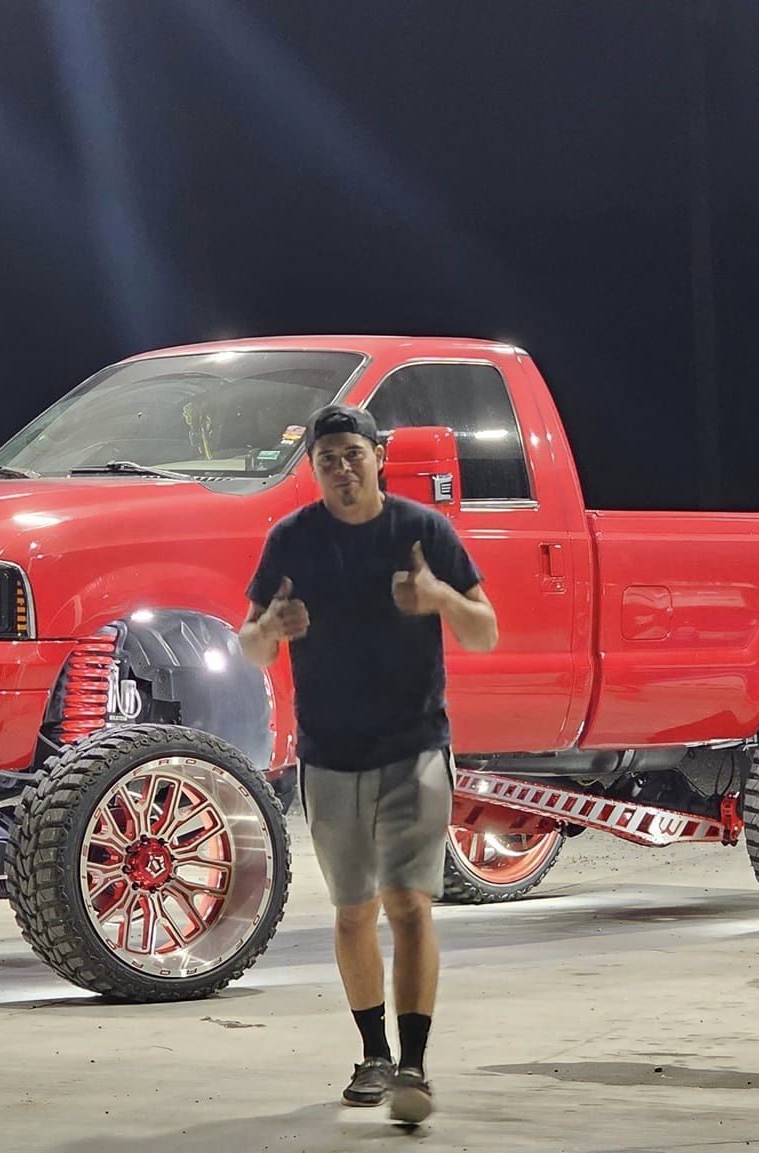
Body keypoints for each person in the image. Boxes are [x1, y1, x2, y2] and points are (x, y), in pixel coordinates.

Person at [240, 403, 498, 1125]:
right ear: (314, 467)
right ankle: (373, 1053)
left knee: (408, 904)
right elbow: (249, 645)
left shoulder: (423, 531)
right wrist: (271, 628)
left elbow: (486, 630)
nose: (342, 468)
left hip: (413, 745)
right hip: (328, 754)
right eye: (328, 459)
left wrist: (439, 597)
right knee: (354, 912)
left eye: (353, 453)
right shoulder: (291, 540)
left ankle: (415, 1063)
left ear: (378, 455)